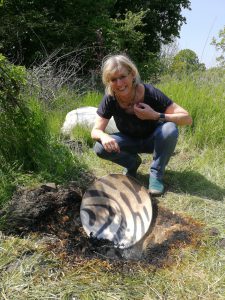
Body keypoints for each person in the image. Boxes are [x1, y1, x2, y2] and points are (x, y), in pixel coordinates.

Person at [91, 54, 192, 196]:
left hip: (154, 140)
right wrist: (103, 136)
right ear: (109, 82)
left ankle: (156, 174)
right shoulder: (110, 99)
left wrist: (156, 115)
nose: (119, 83)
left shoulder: (150, 93)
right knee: (100, 147)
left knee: (170, 129)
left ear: (132, 74)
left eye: (122, 76)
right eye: (114, 79)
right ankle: (132, 164)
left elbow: (187, 118)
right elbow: (95, 130)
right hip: (129, 141)